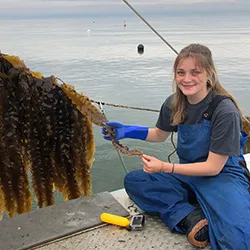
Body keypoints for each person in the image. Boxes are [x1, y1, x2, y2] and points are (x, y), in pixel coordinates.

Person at [102, 44, 250, 250]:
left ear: (209, 74)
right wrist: (127, 131)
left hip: (221, 176)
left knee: (239, 241)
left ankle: (216, 206)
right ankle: (191, 218)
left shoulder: (224, 110)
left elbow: (213, 167)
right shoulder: (174, 103)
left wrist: (165, 167)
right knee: (136, 181)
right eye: (181, 72)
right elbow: (159, 134)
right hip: (189, 175)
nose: (187, 79)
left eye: (195, 72)